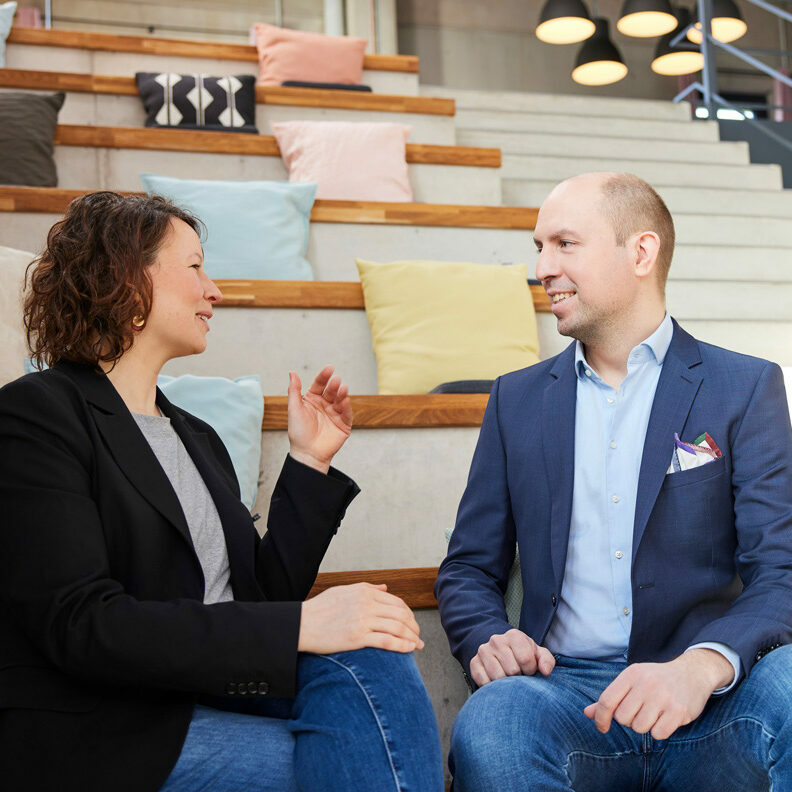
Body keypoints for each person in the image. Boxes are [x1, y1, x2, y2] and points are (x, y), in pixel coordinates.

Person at [0, 191, 444, 792]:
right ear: (129, 280)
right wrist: (300, 627)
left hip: (218, 688)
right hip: (113, 723)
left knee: (374, 653)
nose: (216, 290)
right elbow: (82, 624)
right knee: (348, 764)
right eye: (195, 267)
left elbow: (254, 598)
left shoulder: (196, 436)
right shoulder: (38, 414)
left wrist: (309, 463)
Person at [435, 172, 792, 791]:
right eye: (538, 248)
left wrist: (703, 666)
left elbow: (782, 569)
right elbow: (468, 567)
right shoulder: (515, 400)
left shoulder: (745, 387)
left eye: (565, 244)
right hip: (564, 695)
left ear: (641, 253)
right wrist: (487, 637)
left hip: (708, 697)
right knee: (493, 723)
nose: (544, 267)